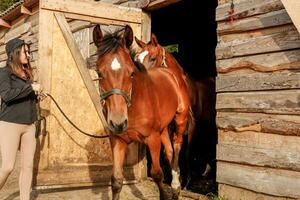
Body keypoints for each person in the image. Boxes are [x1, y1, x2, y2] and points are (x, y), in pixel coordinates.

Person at [0, 38, 41, 200]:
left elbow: (26, 97)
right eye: (25, 51)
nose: (28, 55)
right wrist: (30, 87)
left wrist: (36, 96)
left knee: (28, 166)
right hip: (10, 123)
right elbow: (6, 96)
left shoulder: (26, 73)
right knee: (8, 166)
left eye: (28, 52)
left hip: (29, 124)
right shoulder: (4, 73)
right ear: (15, 53)